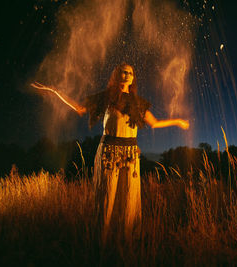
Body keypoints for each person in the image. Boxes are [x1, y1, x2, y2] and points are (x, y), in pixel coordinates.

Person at [31, 63, 189, 244]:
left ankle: (127, 243)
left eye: (130, 72)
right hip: (109, 153)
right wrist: (54, 90)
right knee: (107, 196)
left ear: (133, 77)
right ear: (116, 75)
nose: (127, 74)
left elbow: (155, 123)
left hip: (130, 155)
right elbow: (79, 108)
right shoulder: (106, 98)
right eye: (124, 71)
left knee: (128, 198)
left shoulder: (138, 103)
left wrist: (177, 121)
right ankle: (102, 243)